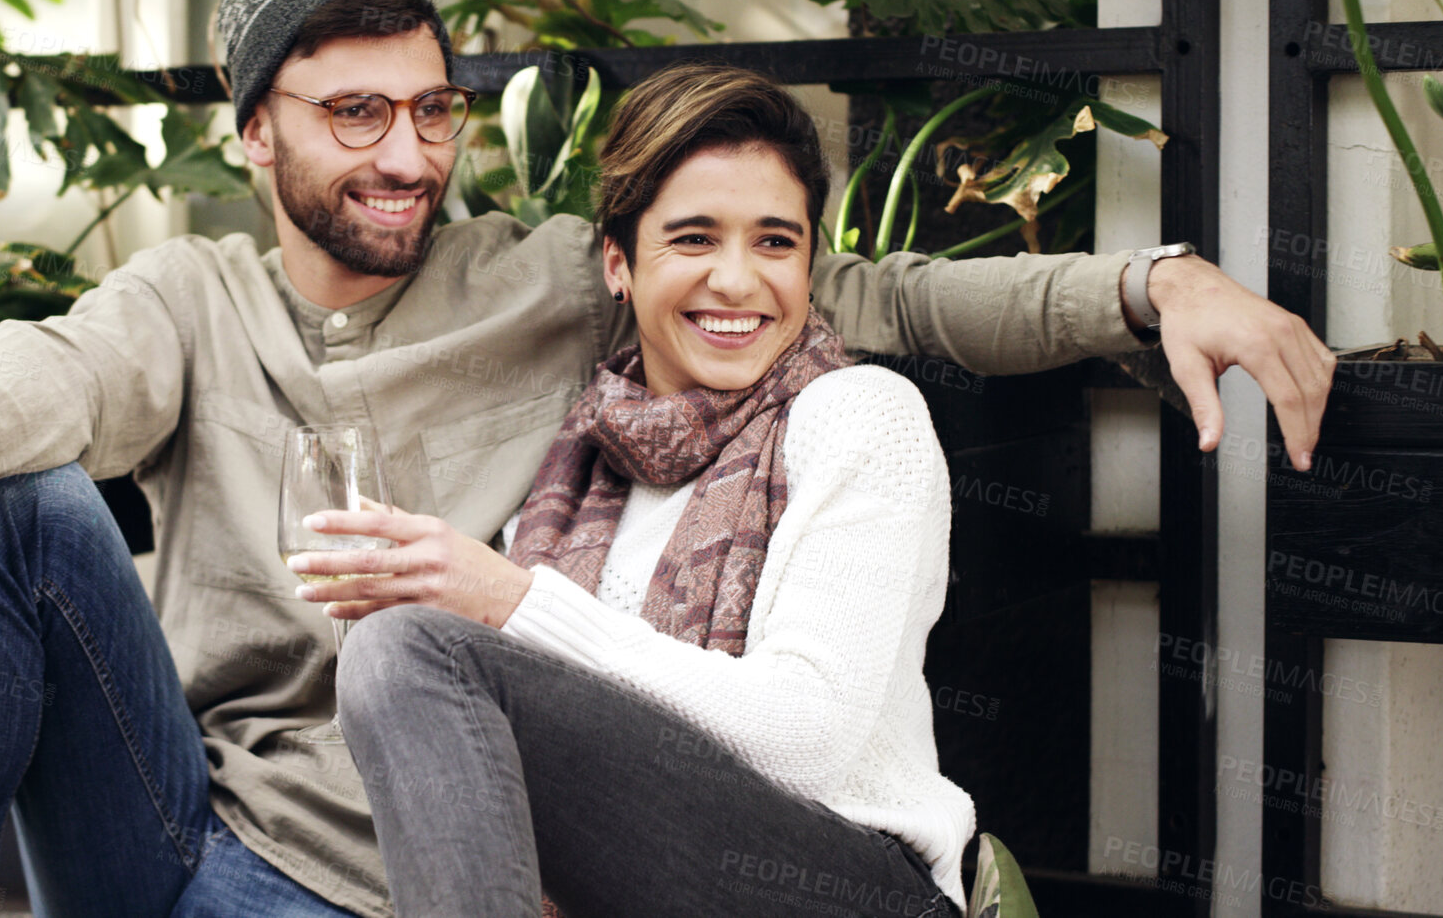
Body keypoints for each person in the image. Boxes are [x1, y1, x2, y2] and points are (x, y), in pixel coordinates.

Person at [0, 0, 1331, 918]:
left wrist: (1147, 281)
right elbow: (45, 374)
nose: (407, 154)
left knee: (406, 647)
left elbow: (881, 294)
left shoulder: (550, 280)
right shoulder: (183, 299)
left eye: (431, 111)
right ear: (251, 132)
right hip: (181, 825)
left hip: (394, 870)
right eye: (354, 115)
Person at [298, 62, 968, 918]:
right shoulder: (580, 462)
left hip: (855, 884)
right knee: (390, 642)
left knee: (408, 646)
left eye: (774, 241)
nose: (736, 280)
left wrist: (512, 600)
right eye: (693, 239)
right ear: (617, 261)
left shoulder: (860, 416)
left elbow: (805, 744)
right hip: (660, 882)